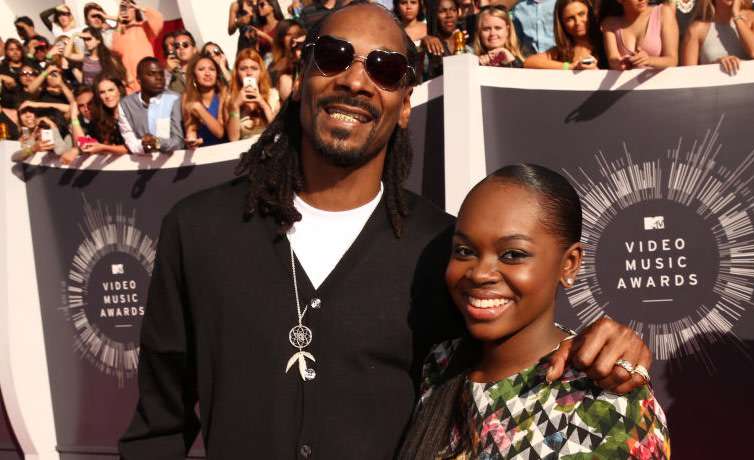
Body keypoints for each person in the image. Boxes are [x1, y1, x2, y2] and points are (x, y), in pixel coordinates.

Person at [118, 3, 652, 459]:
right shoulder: (198, 230)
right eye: (333, 57)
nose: (355, 81)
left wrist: (606, 346)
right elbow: (158, 426)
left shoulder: (441, 252)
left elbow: (513, 357)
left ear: (404, 105)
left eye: (385, 68)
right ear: (300, 77)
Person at [399, 164, 670, 459]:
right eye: (464, 251)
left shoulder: (606, 405)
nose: (479, 273)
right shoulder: (439, 364)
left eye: (513, 254)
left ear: (569, 264)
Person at [117, 57, 184, 154]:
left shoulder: (174, 99)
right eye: (151, 74)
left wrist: (157, 143)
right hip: (142, 160)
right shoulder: (126, 104)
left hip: (174, 160)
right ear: (139, 80)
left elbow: (178, 141)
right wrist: (145, 145)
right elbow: (130, 139)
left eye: (161, 73)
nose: (158, 77)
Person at [681, 0, 754, 74]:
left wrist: (736, 16)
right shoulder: (697, 29)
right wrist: (716, 65)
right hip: (714, 86)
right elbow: (689, 74)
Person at [525, 0, 607, 69]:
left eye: (581, 14)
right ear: (562, 23)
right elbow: (529, 62)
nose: (577, 22)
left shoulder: (606, 43)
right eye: (570, 19)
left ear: (591, 13)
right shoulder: (562, 51)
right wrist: (569, 66)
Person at [64, 75, 128, 162]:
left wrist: (103, 148)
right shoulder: (97, 123)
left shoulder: (127, 113)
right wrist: (74, 117)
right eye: (81, 106)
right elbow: (83, 145)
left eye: (90, 103)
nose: (86, 109)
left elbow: (133, 147)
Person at [601, 0, 679, 70]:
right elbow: (613, 59)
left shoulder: (663, 13)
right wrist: (620, 64)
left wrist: (649, 60)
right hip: (626, 81)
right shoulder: (609, 24)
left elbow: (672, 60)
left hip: (660, 81)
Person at [224, 48, 279, 141]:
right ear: (237, 73)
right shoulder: (230, 98)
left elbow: (277, 131)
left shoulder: (272, 95)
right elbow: (233, 138)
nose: (249, 73)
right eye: (243, 69)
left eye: (254, 68)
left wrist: (263, 103)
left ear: (261, 72)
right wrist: (235, 106)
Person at [111, 1, 164, 93]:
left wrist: (140, 8)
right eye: (123, 8)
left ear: (135, 9)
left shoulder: (144, 26)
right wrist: (119, 24)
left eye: (129, 7)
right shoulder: (119, 32)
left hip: (149, 75)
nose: (126, 10)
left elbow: (158, 19)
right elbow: (115, 54)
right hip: (131, 80)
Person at [182, 55, 227, 148]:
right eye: (201, 69)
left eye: (212, 69)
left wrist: (199, 109)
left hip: (225, 149)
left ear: (217, 74)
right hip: (202, 152)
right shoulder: (187, 97)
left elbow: (220, 133)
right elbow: (190, 129)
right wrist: (192, 142)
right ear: (194, 76)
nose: (207, 73)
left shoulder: (223, 93)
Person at [422, 0, 463, 79]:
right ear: (434, 15)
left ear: (458, 13)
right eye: (442, 11)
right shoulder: (430, 45)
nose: (449, 15)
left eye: (453, 10)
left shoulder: (466, 40)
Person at [269, 22, 306, 101]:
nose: (293, 38)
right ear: (281, 38)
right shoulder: (273, 64)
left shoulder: (305, 62)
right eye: (289, 34)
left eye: (297, 34)